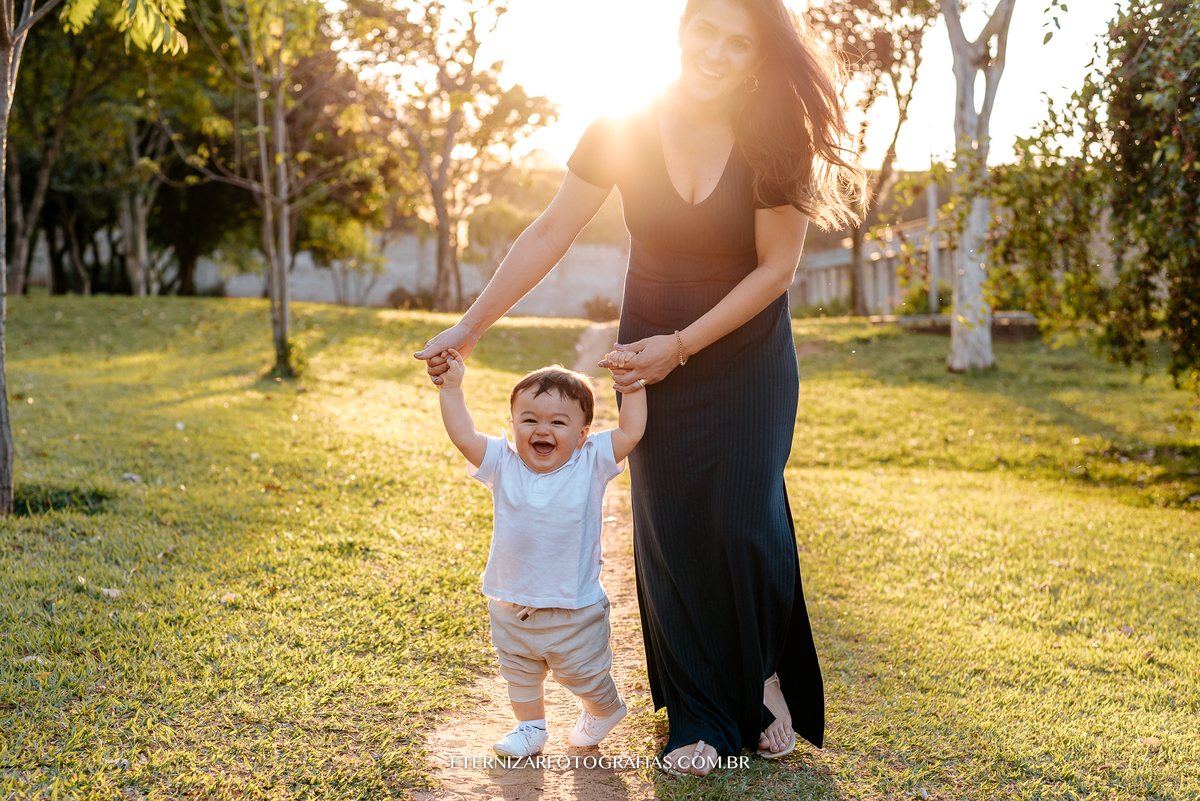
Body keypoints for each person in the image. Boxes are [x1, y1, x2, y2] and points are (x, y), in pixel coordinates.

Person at [416, 0, 865, 776]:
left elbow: (776, 269)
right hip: (647, 336)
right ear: (681, 30)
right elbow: (552, 231)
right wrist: (471, 327)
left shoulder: (774, 138)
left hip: (742, 348)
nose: (717, 52)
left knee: (743, 514)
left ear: (758, 56)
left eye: (738, 42)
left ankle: (763, 680)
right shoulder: (621, 125)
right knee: (674, 529)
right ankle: (696, 714)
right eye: (705, 31)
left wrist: (683, 347)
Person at [435, 352, 648, 756]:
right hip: (511, 601)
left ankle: (604, 709)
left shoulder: (591, 461)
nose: (541, 429)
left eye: (557, 422)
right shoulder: (502, 461)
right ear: (512, 426)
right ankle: (530, 728)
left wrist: (632, 386)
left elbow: (631, 432)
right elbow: (463, 435)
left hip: (574, 607)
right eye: (529, 419)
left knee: (585, 675)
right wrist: (452, 388)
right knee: (518, 671)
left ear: (583, 433)